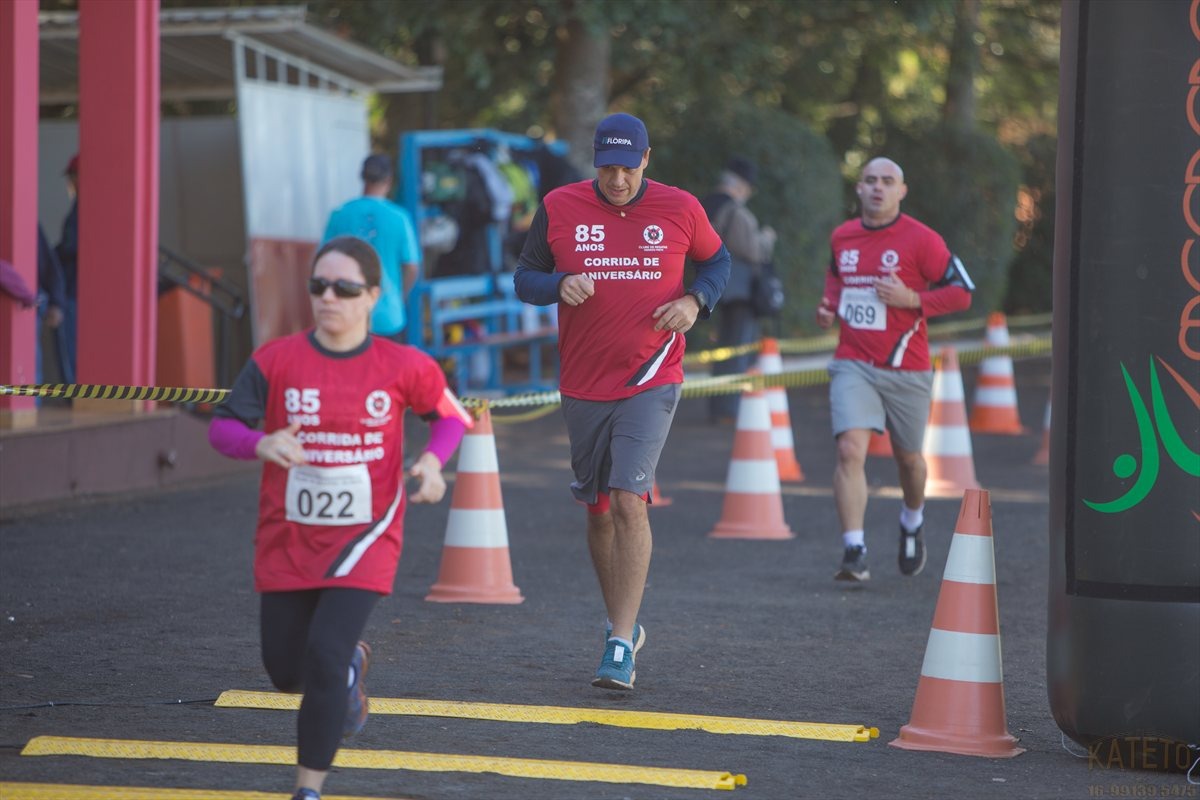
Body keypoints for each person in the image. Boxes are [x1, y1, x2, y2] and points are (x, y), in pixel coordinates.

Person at [208, 236, 470, 800]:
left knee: (323, 655)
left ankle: (308, 789)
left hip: (367, 536)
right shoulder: (276, 360)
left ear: (374, 295)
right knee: (287, 672)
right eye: (318, 286)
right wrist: (260, 443)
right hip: (288, 536)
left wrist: (431, 462)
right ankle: (349, 667)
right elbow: (222, 427)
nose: (328, 297)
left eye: (344, 288)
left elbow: (451, 418)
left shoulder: (403, 365)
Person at [514, 112, 730, 690]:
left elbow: (718, 261)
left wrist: (695, 301)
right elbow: (524, 276)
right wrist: (557, 284)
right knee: (598, 511)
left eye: (627, 168)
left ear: (646, 159)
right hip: (583, 382)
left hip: (653, 374)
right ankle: (622, 625)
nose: (616, 180)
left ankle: (617, 647)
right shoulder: (559, 206)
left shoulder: (681, 208)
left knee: (629, 498)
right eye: (606, 168)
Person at [815, 157, 974, 582]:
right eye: (870, 181)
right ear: (859, 189)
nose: (878, 188)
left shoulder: (922, 240)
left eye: (888, 182)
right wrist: (829, 306)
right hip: (854, 362)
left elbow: (962, 294)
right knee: (850, 449)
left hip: (907, 366)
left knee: (909, 460)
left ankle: (912, 518)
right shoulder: (842, 237)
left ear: (902, 191)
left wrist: (913, 300)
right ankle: (854, 549)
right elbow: (836, 279)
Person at [700, 156, 777, 423]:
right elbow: (752, 250)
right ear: (742, 186)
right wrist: (766, 238)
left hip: (714, 285)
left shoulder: (705, 204)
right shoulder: (735, 211)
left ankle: (720, 406)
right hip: (740, 290)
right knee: (738, 347)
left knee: (724, 348)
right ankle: (729, 409)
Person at [322, 154, 421, 341]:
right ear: (389, 180)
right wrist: (399, 296)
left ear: (362, 177)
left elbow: (322, 264)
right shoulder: (399, 218)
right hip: (388, 316)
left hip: (347, 314)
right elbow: (412, 266)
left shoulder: (340, 214)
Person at [55, 155, 79, 384]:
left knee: (70, 348)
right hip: (76, 290)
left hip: (73, 290)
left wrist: (55, 254)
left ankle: (75, 398)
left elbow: (72, 246)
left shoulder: (84, 207)